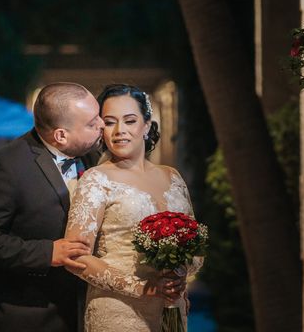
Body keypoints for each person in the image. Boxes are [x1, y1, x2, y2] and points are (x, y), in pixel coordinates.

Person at [0, 82, 105, 332]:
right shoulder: (5, 166)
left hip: (80, 312)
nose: (102, 125)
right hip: (20, 316)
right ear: (61, 135)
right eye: (92, 123)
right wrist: (47, 252)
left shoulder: (93, 158)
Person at [64, 84, 203, 331]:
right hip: (118, 311)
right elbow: (76, 257)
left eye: (129, 121)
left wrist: (179, 275)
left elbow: (195, 244)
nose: (120, 131)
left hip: (171, 307)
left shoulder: (172, 176)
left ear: (147, 125)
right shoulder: (96, 179)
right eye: (109, 122)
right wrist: (142, 288)